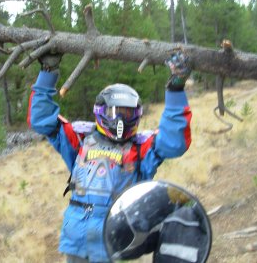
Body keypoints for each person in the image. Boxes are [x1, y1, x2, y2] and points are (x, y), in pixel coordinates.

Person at [27, 50, 192, 263]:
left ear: (138, 115)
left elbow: (175, 142)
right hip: (78, 238)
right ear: (100, 111)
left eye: (128, 114)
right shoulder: (81, 138)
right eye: (115, 113)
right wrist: (48, 72)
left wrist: (176, 87)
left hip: (117, 237)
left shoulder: (142, 147)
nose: (120, 121)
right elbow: (41, 120)